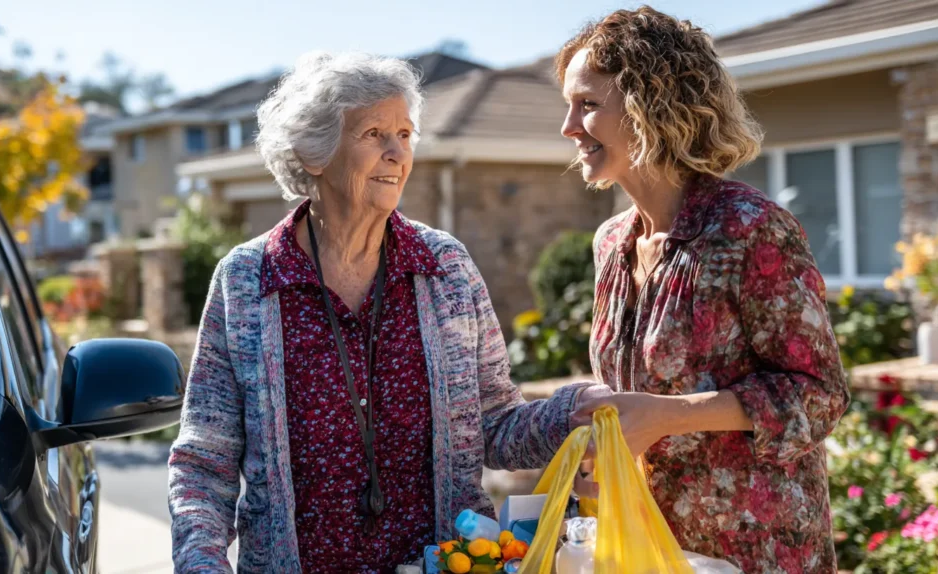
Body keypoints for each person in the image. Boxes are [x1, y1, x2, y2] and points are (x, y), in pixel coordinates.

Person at [167, 51, 609, 573]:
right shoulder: (246, 279)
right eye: (374, 134)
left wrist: (574, 410)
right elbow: (205, 461)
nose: (397, 152)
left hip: (446, 563)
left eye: (405, 133)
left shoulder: (446, 267)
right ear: (314, 153)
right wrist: (201, 563)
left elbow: (493, 424)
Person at [561, 7, 850, 573]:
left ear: (652, 108)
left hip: (753, 550)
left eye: (588, 105)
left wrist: (668, 415)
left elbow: (819, 395)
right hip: (646, 543)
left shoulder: (750, 228)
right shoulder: (612, 241)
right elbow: (630, 388)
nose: (568, 126)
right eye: (568, 105)